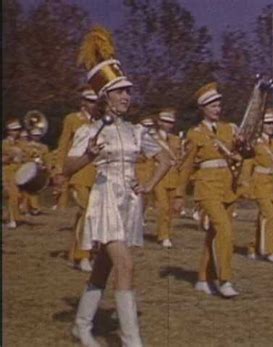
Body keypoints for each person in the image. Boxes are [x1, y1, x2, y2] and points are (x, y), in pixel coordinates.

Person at [67, 26, 172, 347]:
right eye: (119, 91)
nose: (126, 96)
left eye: (128, 91)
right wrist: (88, 155)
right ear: (105, 97)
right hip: (105, 199)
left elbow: (167, 160)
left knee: (103, 267)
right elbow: (67, 167)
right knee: (125, 264)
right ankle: (131, 341)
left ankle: (82, 326)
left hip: (129, 201)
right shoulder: (91, 130)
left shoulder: (137, 131)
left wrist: (148, 185)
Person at [174, 82, 241, 298]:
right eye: (212, 106)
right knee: (224, 230)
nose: (217, 109)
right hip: (207, 187)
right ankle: (225, 280)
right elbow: (185, 166)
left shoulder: (229, 129)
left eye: (219, 105)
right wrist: (179, 194)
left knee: (215, 233)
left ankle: (203, 277)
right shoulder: (195, 134)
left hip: (228, 185)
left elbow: (243, 153)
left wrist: (243, 152)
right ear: (203, 108)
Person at [55, 86, 99, 272]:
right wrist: (59, 170)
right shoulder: (72, 119)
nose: (93, 104)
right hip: (77, 171)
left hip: (95, 172)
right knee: (86, 210)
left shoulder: (100, 121)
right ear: (83, 102)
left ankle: (73, 253)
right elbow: (63, 144)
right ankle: (83, 256)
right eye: (90, 101)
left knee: (85, 215)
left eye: (96, 101)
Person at [245, 109, 273, 262]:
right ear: (261, 124)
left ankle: (253, 246)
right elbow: (248, 164)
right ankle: (268, 251)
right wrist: (245, 183)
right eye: (268, 123)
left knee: (269, 217)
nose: (271, 126)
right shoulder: (255, 142)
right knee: (269, 215)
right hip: (260, 182)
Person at [150, 108, 181, 248]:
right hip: (159, 175)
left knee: (171, 208)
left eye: (171, 122)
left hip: (173, 175)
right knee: (163, 206)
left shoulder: (176, 139)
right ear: (159, 122)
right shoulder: (152, 137)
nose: (169, 124)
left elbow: (180, 157)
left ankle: (167, 232)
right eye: (165, 121)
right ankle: (164, 236)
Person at [2, 119, 26, 228]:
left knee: (18, 195)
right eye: (14, 130)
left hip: (19, 170)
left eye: (18, 130)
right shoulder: (4, 143)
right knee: (11, 195)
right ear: (9, 131)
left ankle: (13, 217)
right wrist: (10, 157)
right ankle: (11, 219)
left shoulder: (20, 143)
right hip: (8, 171)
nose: (16, 132)